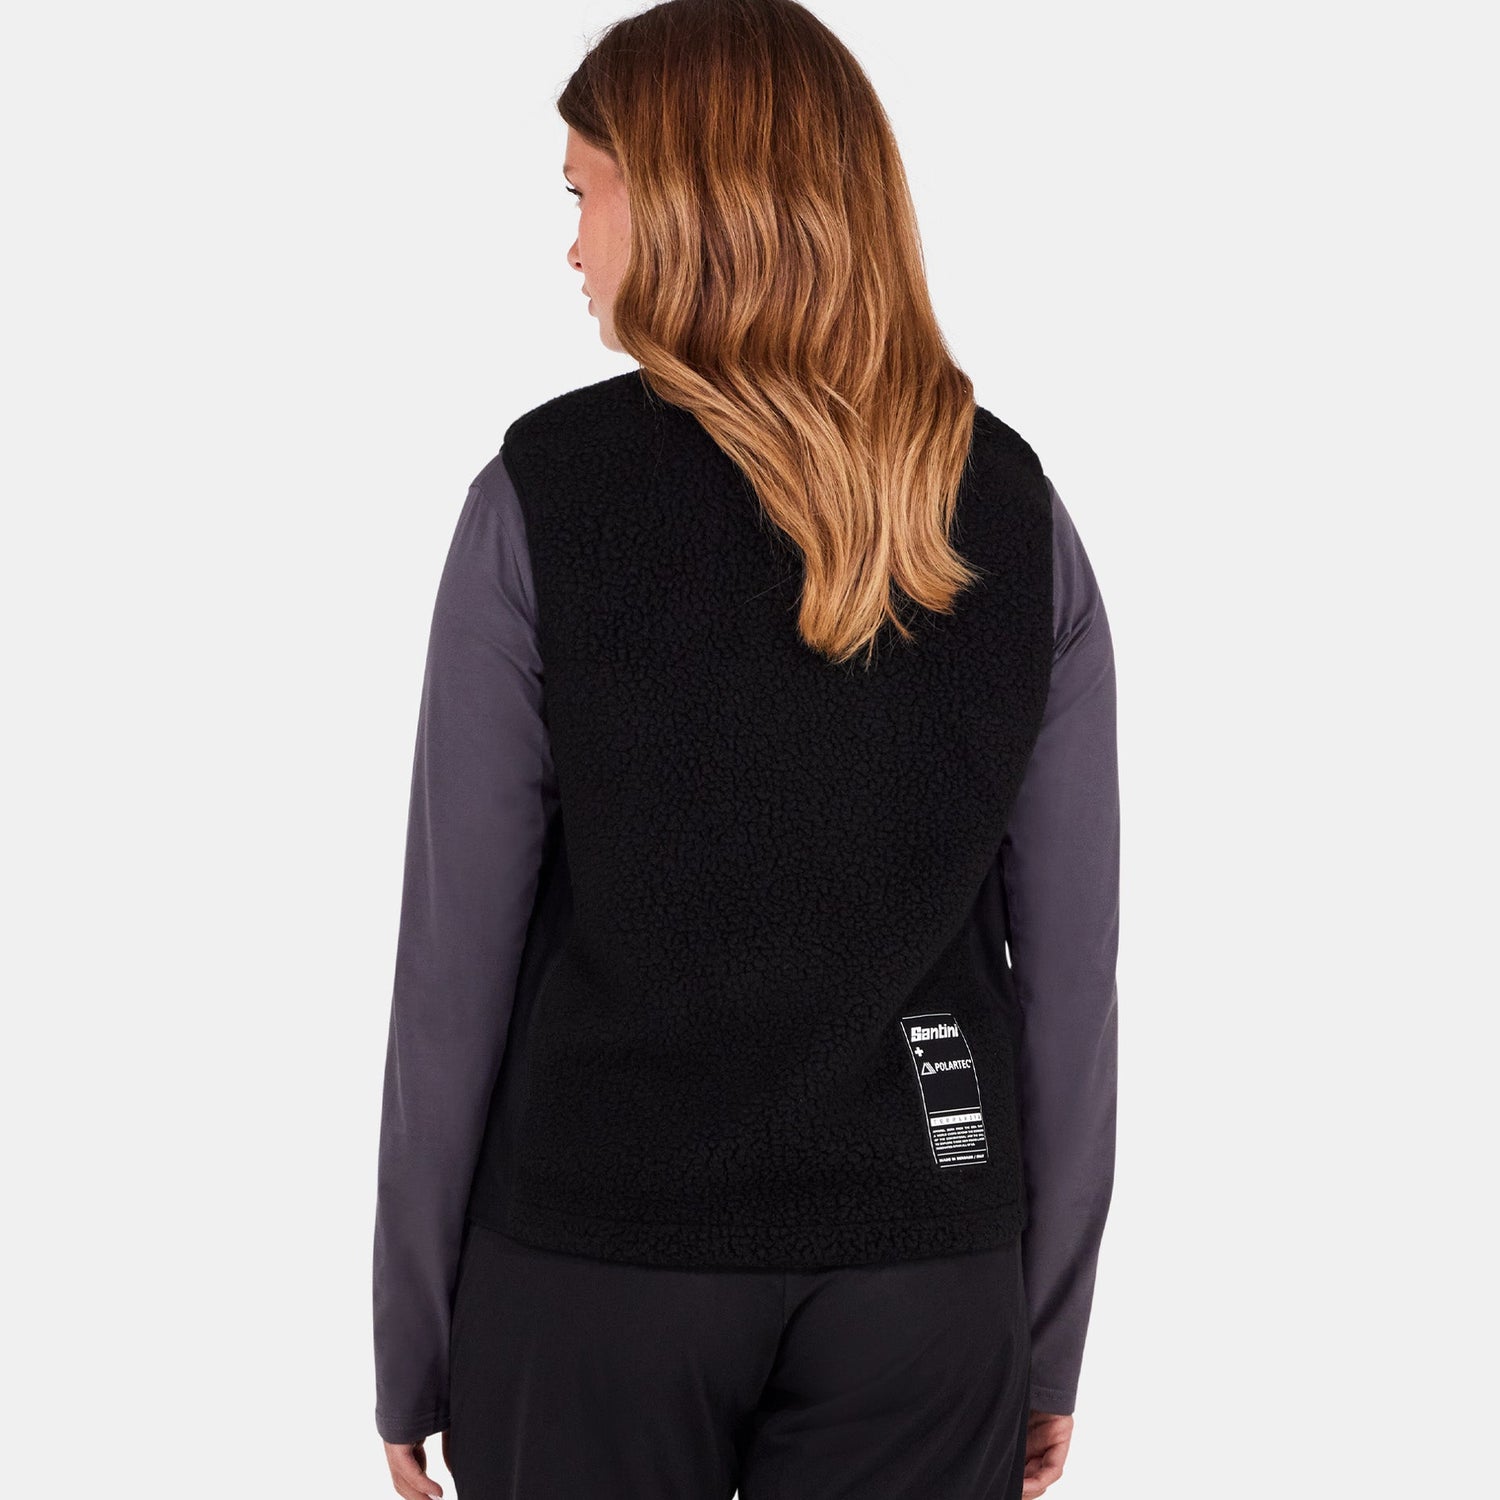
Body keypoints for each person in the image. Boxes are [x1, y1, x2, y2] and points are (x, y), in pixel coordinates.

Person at [371, 2, 1119, 1497]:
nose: (571, 246)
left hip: (593, 1263)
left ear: (686, 205)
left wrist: (414, 1342)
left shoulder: (541, 500)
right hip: (926, 1276)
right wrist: (1042, 1339)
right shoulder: (1015, 512)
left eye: (584, 192)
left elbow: (452, 975)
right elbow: (1070, 981)